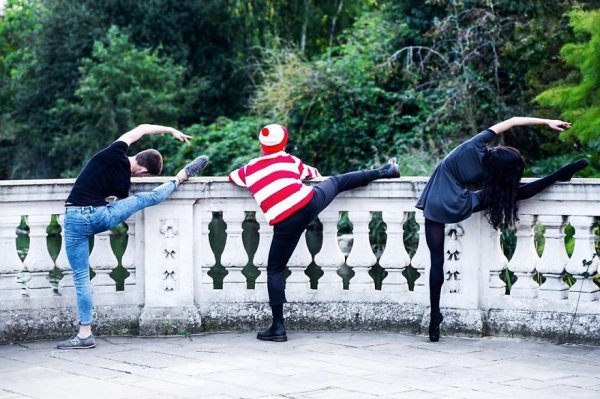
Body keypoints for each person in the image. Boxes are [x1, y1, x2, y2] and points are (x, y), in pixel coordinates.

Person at [415, 116, 589, 342]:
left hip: (434, 201)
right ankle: (558, 175)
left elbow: (513, 120)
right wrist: (548, 123)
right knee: (516, 193)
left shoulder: (475, 145)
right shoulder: (492, 174)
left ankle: (434, 315)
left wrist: (546, 121)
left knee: (436, 260)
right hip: (459, 204)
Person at [228, 123, 400, 342]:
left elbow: (232, 177)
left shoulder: (249, 169)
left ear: (261, 144)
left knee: (275, 269)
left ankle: (278, 327)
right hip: (308, 204)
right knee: (337, 182)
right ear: (284, 142)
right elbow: (313, 173)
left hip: (284, 221)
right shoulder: (290, 161)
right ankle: (385, 171)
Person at [56, 124, 209, 349]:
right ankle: (180, 177)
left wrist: (170, 130)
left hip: (73, 217)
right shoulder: (123, 186)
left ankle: (85, 333)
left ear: (137, 155)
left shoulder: (114, 150)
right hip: (100, 217)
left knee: (81, 278)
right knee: (143, 199)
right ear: (145, 172)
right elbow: (120, 201)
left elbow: (143, 128)